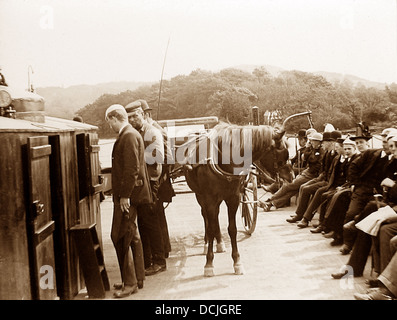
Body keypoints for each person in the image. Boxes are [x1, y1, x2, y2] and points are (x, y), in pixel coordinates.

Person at [104, 104, 151, 298]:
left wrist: (124, 196)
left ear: (115, 118)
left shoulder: (129, 136)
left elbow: (131, 169)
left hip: (128, 197)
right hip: (132, 195)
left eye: (109, 122)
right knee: (133, 234)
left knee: (120, 236)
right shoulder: (131, 134)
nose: (109, 127)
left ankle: (130, 283)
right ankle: (137, 278)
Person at [125, 100, 167, 276]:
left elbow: (157, 157)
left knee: (150, 219)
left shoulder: (151, 132)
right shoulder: (134, 133)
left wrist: (135, 158)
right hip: (141, 181)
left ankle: (159, 261)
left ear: (143, 115)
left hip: (151, 180)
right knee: (143, 221)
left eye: (136, 116)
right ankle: (148, 259)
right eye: (130, 117)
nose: (133, 119)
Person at [262, 132, 324, 211]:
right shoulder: (312, 149)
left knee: (288, 186)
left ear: (319, 142)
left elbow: (312, 162)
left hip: (311, 175)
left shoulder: (320, 151)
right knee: (293, 190)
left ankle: (270, 199)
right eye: (311, 141)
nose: (311, 142)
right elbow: (305, 158)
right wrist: (308, 148)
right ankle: (271, 204)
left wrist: (308, 151)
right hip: (308, 173)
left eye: (313, 141)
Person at [290, 130, 341, 225]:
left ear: (330, 143)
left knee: (312, 190)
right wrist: (319, 178)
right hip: (323, 178)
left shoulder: (335, 155)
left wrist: (322, 178)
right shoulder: (327, 153)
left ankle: (306, 218)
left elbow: (331, 173)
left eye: (324, 142)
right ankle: (299, 214)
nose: (322, 144)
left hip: (329, 182)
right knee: (303, 187)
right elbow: (323, 170)